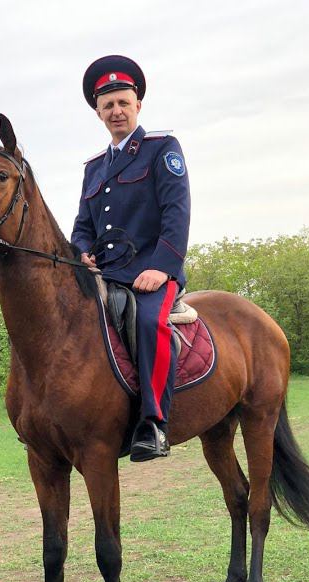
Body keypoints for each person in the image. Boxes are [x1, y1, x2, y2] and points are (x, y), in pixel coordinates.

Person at [70, 55, 191, 462]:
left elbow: (176, 212)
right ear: (98, 113)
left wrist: (162, 267)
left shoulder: (161, 149)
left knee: (147, 321)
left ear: (137, 104)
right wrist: (81, 252)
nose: (116, 110)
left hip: (150, 272)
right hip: (105, 273)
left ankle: (153, 423)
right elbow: (83, 225)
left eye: (123, 102)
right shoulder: (93, 168)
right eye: (108, 105)